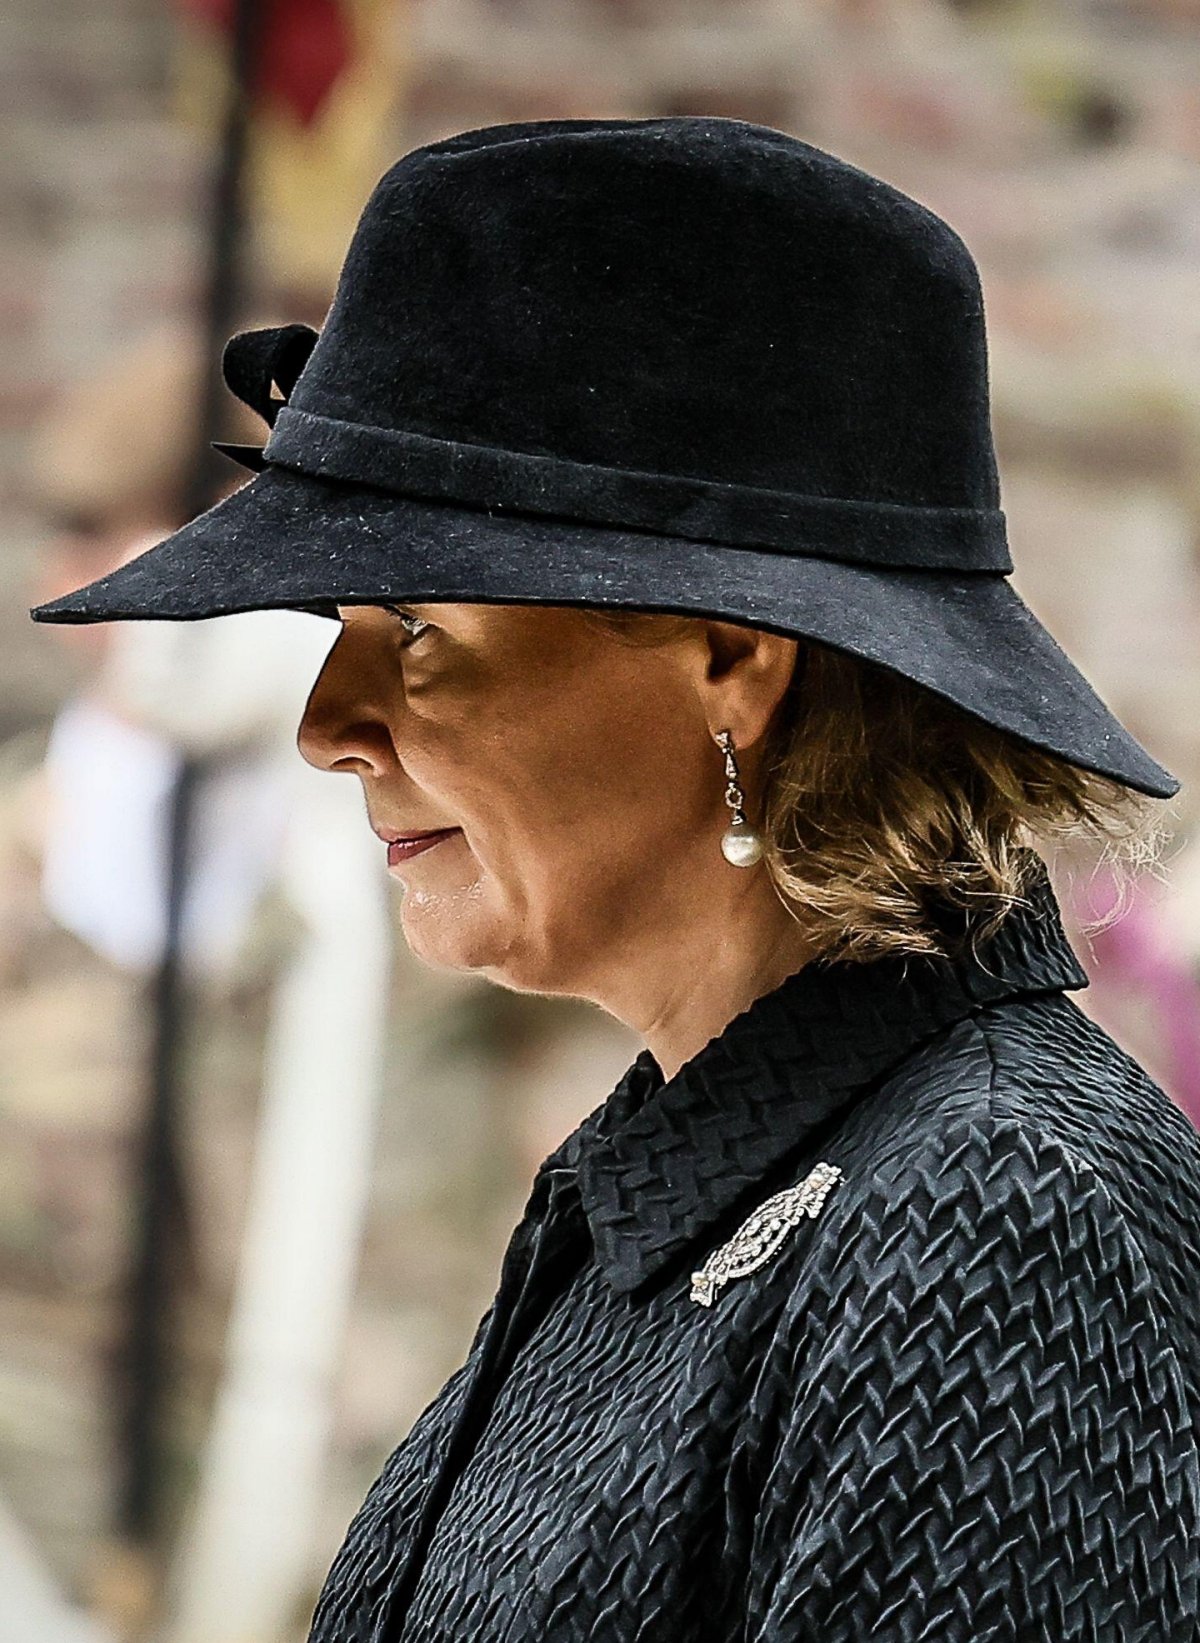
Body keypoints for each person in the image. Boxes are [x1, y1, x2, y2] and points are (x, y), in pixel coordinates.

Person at [32, 117, 1199, 1642]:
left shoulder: (996, 1211)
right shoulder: (689, 1158)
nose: (329, 726)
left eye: (418, 631)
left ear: (732, 660)